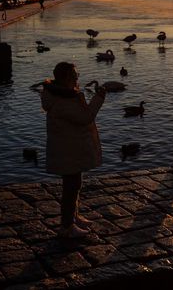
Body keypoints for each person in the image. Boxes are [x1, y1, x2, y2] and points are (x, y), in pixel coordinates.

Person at [41, 62, 106, 238]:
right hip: (67, 149)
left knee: (75, 183)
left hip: (69, 146)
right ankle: (67, 226)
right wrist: (99, 98)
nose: (77, 78)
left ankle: (74, 217)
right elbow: (85, 117)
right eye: (75, 76)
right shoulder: (63, 100)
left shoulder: (62, 95)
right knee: (71, 186)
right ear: (66, 78)